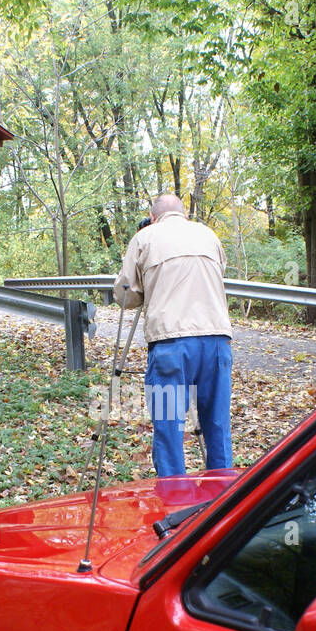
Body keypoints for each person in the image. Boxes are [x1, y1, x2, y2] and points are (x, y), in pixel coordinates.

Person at [113, 194, 233, 477]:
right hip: (216, 340)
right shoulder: (208, 235)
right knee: (217, 423)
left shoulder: (145, 238)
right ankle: (224, 499)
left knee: (169, 426)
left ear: (153, 217)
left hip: (170, 344)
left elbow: (125, 295)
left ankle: (173, 499)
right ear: (184, 216)